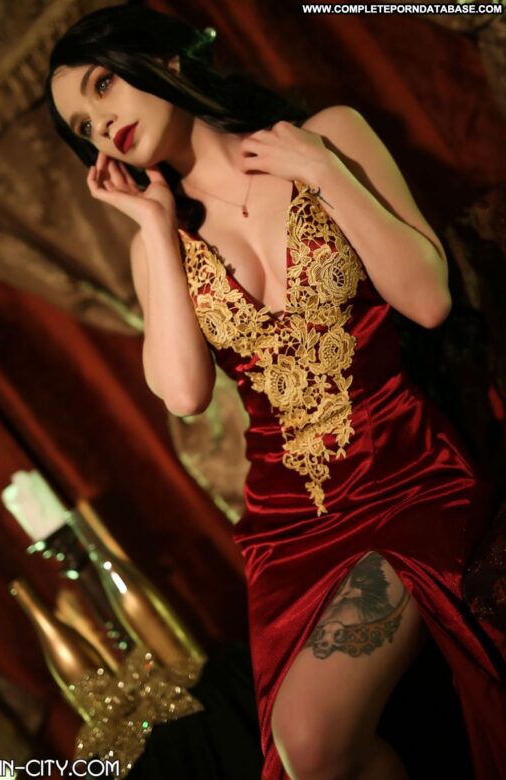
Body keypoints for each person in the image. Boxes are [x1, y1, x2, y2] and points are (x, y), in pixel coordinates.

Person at [46, 6, 506, 780]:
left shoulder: (327, 135)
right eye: (84, 128)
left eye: (102, 87)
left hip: (408, 471)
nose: (103, 125)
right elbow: (184, 394)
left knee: (311, 740)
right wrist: (155, 229)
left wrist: (324, 171)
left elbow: (428, 301)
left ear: (167, 60)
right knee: (308, 759)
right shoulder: (157, 242)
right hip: (290, 524)